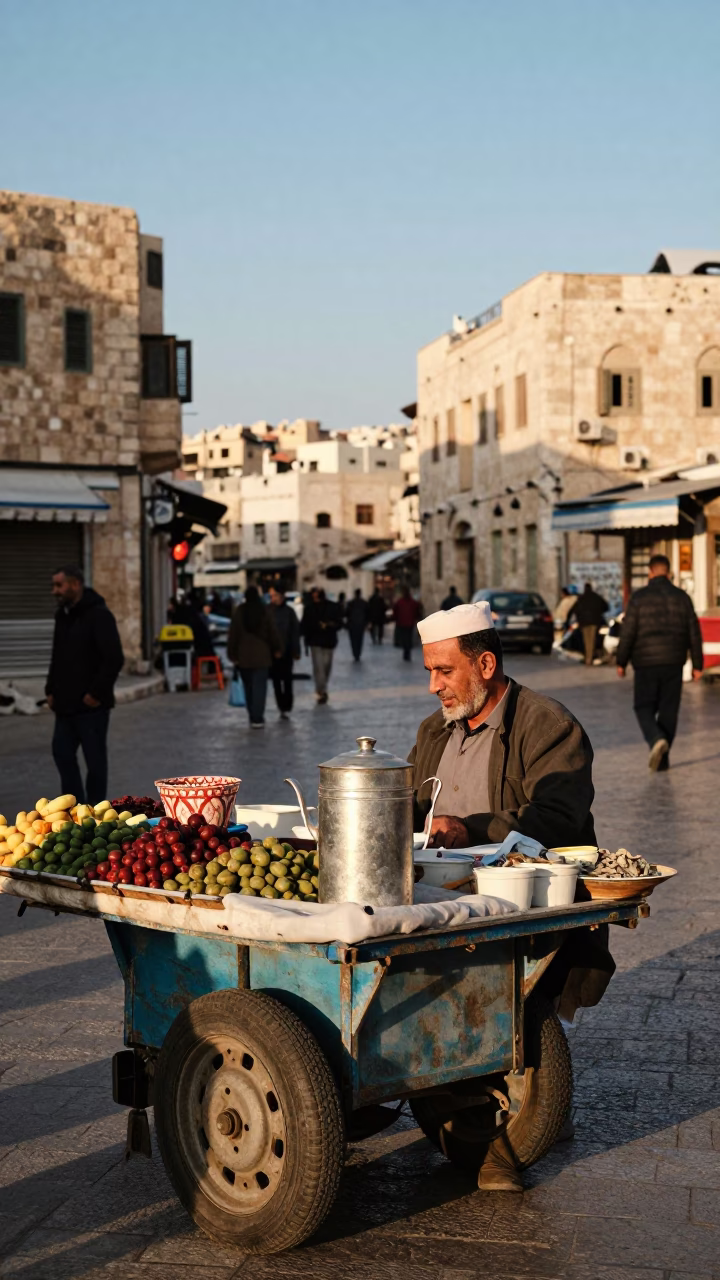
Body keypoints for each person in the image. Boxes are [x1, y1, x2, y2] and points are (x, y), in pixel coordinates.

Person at [409, 600, 612, 1192]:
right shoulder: (432, 733)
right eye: (430, 672)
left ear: (487, 664)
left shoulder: (549, 725)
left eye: (444, 672)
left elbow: (559, 813)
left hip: (526, 903)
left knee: (507, 1005)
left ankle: (506, 1127)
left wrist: (472, 828)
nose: (434, 686)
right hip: (443, 899)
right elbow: (415, 810)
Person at [616, 554, 703, 771]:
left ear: (650, 572)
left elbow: (628, 632)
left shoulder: (638, 597)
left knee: (643, 706)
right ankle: (662, 759)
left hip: (645, 663)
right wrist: (698, 663)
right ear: (669, 572)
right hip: (674, 661)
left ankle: (655, 739)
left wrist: (621, 661)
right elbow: (694, 632)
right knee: (669, 710)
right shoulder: (682, 598)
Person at [46, 565, 124, 804]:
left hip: (92, 706)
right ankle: (73, 805)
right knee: (62, 753)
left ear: (75, 584)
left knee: (95, 762)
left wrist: (95, 693)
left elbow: (114, 658)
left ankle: (96, 809)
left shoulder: (99, 615)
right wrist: (50, 689)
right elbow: (57, 655)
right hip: (65, 705)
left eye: (59, 585)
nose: (54, 591)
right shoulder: (63, 615)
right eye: (54, 586)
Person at [227, 586, 281, 727]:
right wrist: (277, 648)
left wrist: (232, 654)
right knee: (260, 688)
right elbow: (272, 632)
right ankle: (258, 717)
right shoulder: (265, 611)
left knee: (248, 687)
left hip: (244, 656)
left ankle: (252, 715)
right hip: (262, 655)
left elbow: (233, 634)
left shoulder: (240, 612)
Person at [301, 587, 341, 703]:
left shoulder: (332, 607)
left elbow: (339, 623)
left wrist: (329, 625)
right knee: (319, 666)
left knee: (326, 665)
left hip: (328, 641)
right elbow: (304, 624)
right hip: (315, 641)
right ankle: (321, 691)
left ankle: (322, 688)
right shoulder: (309, 608)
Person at [268, 586, 301, 719]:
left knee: (287, 679)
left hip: (287, 651)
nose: (273, 598)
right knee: (276, 681)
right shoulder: (267, 610)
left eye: (275, 595)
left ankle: (287, 705)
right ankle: (281, 706)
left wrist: (296, 650)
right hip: (272, 652)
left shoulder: (289, 612)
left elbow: (295, 633)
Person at [568, 582, 608, 665]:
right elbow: (606, 606)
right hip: (594, 622)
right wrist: (598, 613)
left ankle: (588, 658)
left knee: (587, 641)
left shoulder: (581, 598)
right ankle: (590, 657)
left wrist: (578, 618)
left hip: (584, 623)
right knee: (592, 640)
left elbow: (574, 610)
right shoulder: (596, 597)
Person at [393, 586, 422, 661]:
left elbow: (395, 611)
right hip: (409, 623)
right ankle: (407, 652)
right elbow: (417, 611)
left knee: (405, 638)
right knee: (408, 638)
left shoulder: (400, 602)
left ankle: (406, 652)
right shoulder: (412, 602)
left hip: (402, 623)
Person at [345, 589, 368, 662]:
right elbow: (367, 614)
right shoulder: (364, 603)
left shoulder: (350, 603)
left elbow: (346, 613)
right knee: (359, 640)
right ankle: (358, 654)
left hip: (352, 624)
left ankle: (355, 653)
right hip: (360, 624)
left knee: (353, 640)